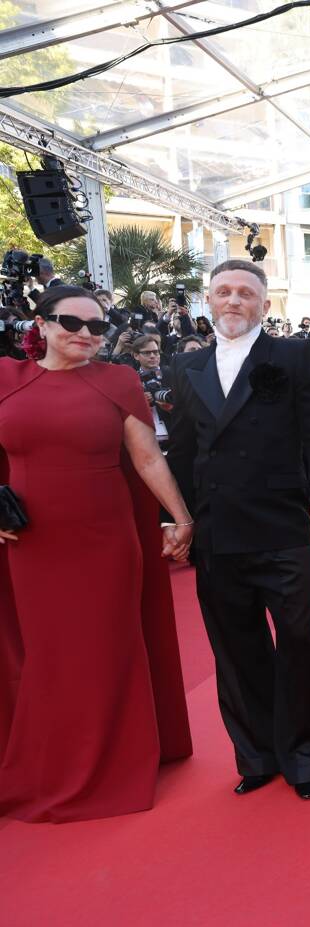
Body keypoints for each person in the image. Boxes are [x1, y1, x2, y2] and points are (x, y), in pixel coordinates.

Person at [0, 285, 193, 822]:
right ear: (39, 324)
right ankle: (51, 762)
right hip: (32, 545)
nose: (85, 334)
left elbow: (149, 459)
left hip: (105, 540)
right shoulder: (5, 379)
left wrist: (180, 517)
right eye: (71, 322)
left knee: (104, 649)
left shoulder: (118, 381)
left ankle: (113, 764)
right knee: (49, 654)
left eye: (97, 326)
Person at [166, 260, 310, 800]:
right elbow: (180, 447)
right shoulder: (187, 365)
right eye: (223, 292)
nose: (233, 301)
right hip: (216, 532)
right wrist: (171, 517)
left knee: (296, 642)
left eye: (245, 293)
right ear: (208, 300)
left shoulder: (292, 354)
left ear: (264, 306)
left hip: (280, 527)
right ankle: (258, 755)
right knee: (236, 648)